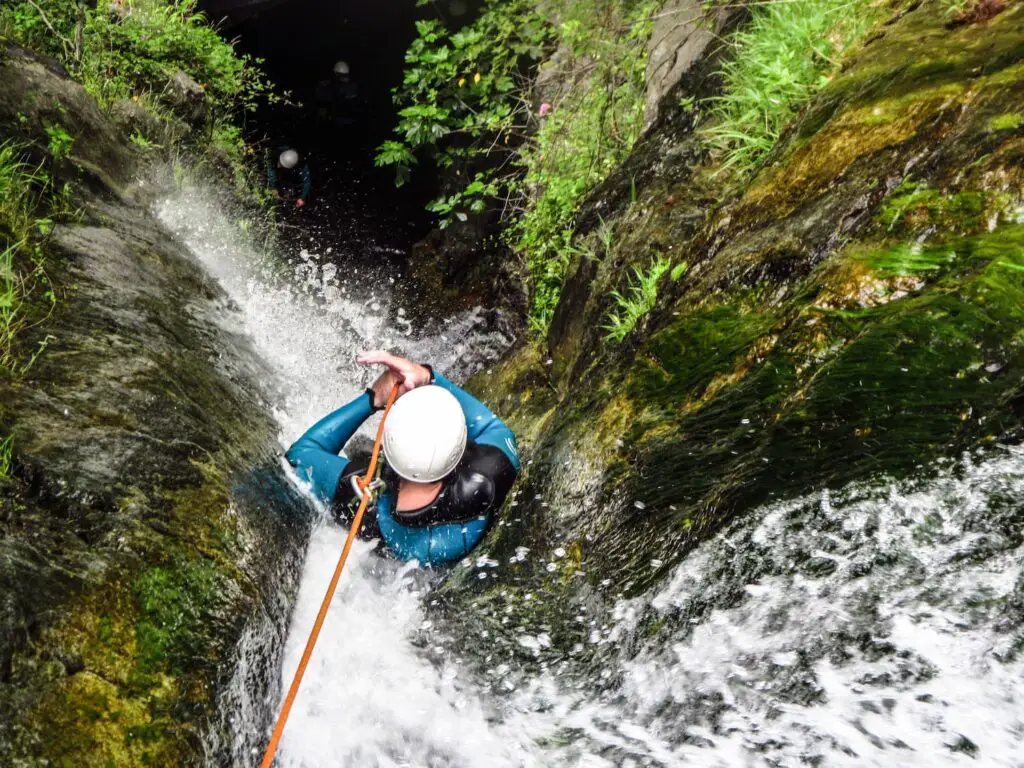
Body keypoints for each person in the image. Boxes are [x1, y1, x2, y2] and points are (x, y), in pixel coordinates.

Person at [285, 351, 520, 566]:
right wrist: (427, 376)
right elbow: (493, 428)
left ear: (388, 444)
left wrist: (373, 399)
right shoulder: (493, 473)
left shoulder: (359, 493)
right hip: (439, 562)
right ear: (459, 450)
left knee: (358, 451)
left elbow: (300, 454)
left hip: (377, 553)